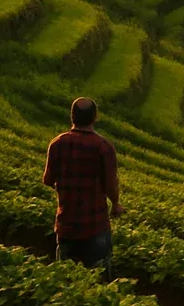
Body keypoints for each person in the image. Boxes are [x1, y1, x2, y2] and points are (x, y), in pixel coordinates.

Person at [42, 97, 124, 280]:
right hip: (95, 226)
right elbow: (111, 184)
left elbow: (47, 180)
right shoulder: (104, 147)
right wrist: (116, 204)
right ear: (95, 117)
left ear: (72, 116)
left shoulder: (57, 143)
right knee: (99, 281)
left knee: (66, 281)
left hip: (66, 225)